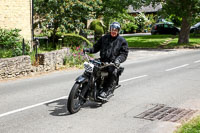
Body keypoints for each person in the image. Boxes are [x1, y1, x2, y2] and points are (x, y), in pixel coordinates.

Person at [83, 22, 129, 99]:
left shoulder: (122, 41)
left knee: (112, 71)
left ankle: (106, 90)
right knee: (91, 68)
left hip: (112, 62)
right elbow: (96, 48)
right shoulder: (104, 38)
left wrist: (118, 60)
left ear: (118, 31)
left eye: (116, 30)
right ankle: (86, 86)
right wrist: (89, 50)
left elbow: (124, 54)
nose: (114, 31)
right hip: (102, 60)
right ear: (110, 29)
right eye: (112, 29)